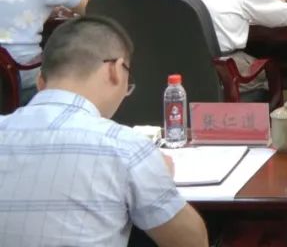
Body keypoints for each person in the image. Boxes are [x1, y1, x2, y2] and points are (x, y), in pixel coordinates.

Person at [0, 16, 208, 246]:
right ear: (115, 70)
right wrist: (159, 179)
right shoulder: (124, 146)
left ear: (41, 82)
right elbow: (191, 242)